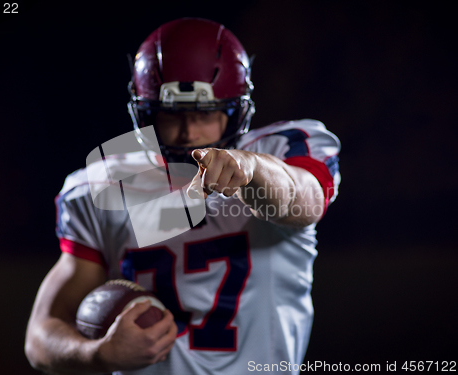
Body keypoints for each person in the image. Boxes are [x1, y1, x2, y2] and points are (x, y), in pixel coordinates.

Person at [25, 18, 340, 375]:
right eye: (171, 116)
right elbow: (40, 337)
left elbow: (305, 200)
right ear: (145, 114)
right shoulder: (105, 183)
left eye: (204, 114)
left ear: (236, 110)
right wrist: (97, 354)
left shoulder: (279, 151)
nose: (189, 133)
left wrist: (250, 170)